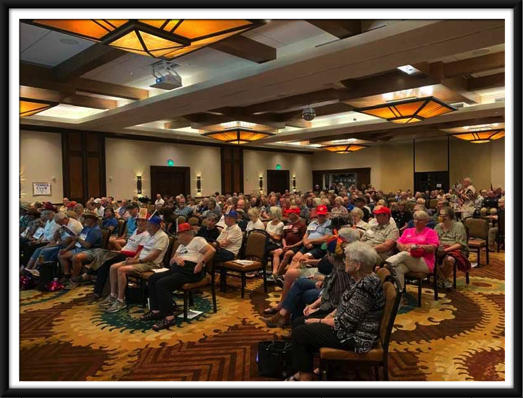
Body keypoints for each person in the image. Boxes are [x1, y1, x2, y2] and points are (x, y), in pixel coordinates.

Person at [288, 241, 385, 382]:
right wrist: (329, 315)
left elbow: (347, 323)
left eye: (348, 259)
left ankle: (304, 378)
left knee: (300, 332)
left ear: (357, 265)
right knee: (299, 322)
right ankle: (309, 369)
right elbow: (344, 304)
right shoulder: (359, 278)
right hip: (349, 328)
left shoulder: (366, 285)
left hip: (357, 338)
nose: (344, 261)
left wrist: (318, 321)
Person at [264, 229, 359, 328]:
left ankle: (291, 321)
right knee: (299, 283)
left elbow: (338, 295)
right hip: (326, 281)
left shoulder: (345, 263)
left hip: (327, 289)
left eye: (340, 237)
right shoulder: (339, 259)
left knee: (301, 292)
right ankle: (286, 316)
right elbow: (332, 277)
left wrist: (322, 283)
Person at [140, 223, 216, 331]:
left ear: (186, 234)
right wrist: (176, 259)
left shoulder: (197, 240)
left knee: (162, 284)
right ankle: (156, 311)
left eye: (179, 234)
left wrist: (201, 263)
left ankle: (169, 318)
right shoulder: (181, 246)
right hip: (176, 269)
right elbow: (171, 262)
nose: (177, 237)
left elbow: (211, 250)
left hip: (191, 270)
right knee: (153, 278)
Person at [100, 215, 170, 313]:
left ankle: (121, 300)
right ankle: (113, 295)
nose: (147, 226)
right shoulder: (151, 235)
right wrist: (134, 258)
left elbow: (153, 256)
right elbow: (142, 250)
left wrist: (137, 261)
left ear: (155, 226)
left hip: (151, 264)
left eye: (149, 224)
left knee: (121, 270)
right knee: (113, 267)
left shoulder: (162, 237)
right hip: (141, 260)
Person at [77, 211, 150, 303]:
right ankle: (97, 292)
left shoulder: (146, 235)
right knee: (104, 262)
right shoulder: (136, 231)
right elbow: (129, 245)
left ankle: (87, 275)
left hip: (130, 257)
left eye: (143, 221)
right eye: (138, 220)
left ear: (147, 222)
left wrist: (120, 251)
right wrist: (121, 250)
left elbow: (138, 253)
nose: (140, 223)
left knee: (104, 255)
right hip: (123, 252)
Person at [386, 210, 440, 291]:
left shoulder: (431, 232)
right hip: (408, 260)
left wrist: (415, 246)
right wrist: (405, 248)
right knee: (397, 268)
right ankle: (398, 294)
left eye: (419, 220)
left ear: (426, 221)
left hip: (424, 262)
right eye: (415, 219)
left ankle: (384, 266)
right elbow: (398, 243)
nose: (416, 222)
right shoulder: (408, 231)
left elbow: (432, 248)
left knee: (403, 254)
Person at [57, 211, 103, 286]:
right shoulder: (86, 228)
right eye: (85, 218)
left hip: (93, 250)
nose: (85, 220)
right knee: (61, 255)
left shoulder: (95, 230)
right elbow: (76, 241)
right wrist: (66, 249)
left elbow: (88, 245)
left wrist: (77, 239)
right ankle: (67, 275)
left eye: (88, 218)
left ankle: (75, 278)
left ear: (93, 220)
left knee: (76, 257)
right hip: (81, 248)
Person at [434, 207, 471, 290]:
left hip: (455, 249)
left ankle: (440, 279)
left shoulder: (458, 226)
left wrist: (445, 250)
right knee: (430, 257)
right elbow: (434, 240)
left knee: (449, 260)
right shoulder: (437, 226)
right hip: (440, 248)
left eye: (441, 215)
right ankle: (444, 280)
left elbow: (461, 244)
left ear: (447, 216)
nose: (439, 216)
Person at [271, 209, 306, 279]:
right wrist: (284, 245)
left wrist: (292, 246)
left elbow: (303, 240)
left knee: (288, 254)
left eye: (290, 214)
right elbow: (284, 237)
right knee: (276, 252)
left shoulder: (302, 225)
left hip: (296, 246)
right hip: (286, 245)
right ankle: (274, 272)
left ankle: (278, 273)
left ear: (295, 215)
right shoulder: (288, 224)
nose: (288, 216)